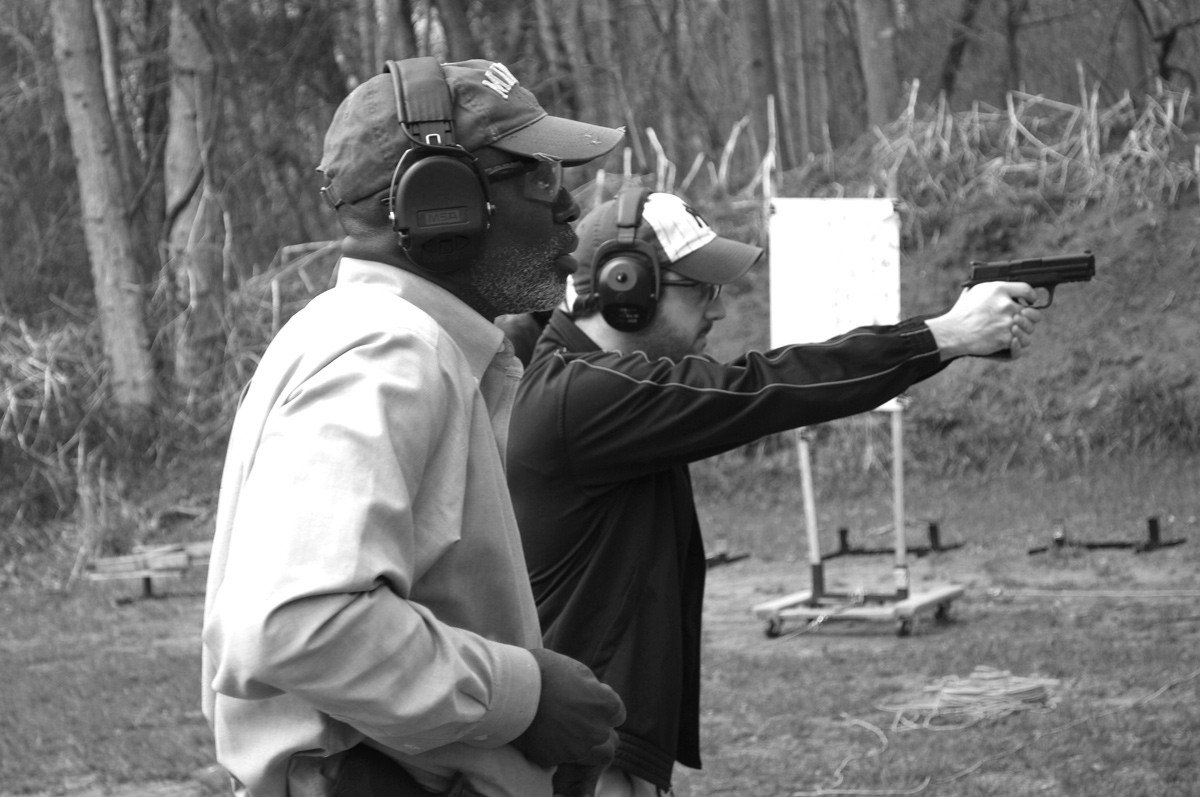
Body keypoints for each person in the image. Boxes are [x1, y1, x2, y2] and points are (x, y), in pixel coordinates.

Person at [505, 187, 1043, 796]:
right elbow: (768, 387)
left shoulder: (588, 384)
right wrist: (943, 334)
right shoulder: (583, 396)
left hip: (595, 746)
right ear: (629, 288)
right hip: (582, 766)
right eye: (702, 290)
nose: (718, 311)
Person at [201, 57, 629, 797]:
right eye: (540, 177)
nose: (569, 209)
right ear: (443, 201)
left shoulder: (382, 339)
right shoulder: (388, 350)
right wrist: (523, 697)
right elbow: (298, 623)